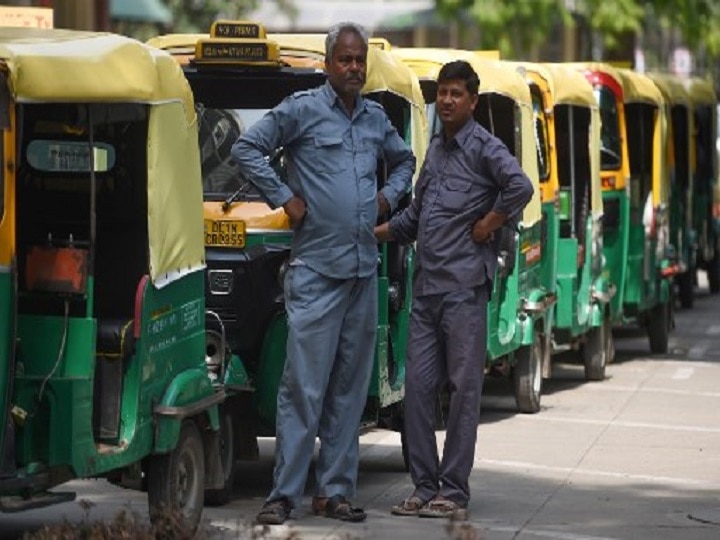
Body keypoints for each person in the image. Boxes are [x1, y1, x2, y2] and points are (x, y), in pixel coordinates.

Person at [231, 22, 415, 525]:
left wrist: (387, 198)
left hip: (362, 274)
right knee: (302, 389)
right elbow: (246, 149)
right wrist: (284, 198)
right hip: (314, 272)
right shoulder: (301, 110)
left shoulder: (376, 118)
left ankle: (334, 492)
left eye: (359, 61)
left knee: (349, 391)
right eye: (345, 60)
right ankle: (283, 495)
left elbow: (405, 162)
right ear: (328, 63)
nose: (354, 68)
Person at [375, 60, 534, 520]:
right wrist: (375, 231)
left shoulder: (485, 147)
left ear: (472, 101)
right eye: (442, 93)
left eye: (455, 94)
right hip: (425, 292)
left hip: (465, 290)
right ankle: (423, 488)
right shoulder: (437, 151)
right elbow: (415, 219)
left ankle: (453, 492)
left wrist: (490, 221)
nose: (446, 100)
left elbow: (519, 186)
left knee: (464, 392)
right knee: (418, 391)